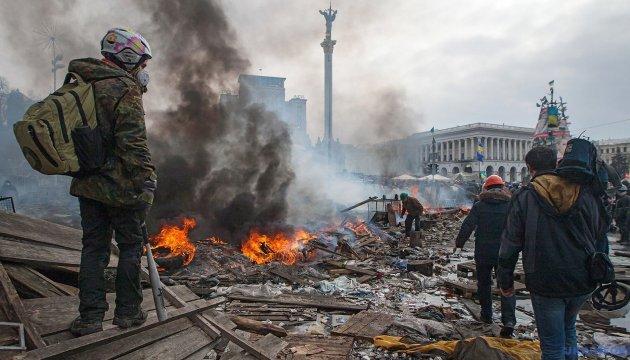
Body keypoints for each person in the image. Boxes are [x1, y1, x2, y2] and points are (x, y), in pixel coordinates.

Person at [68, 28, 157, 337]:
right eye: (142, 64)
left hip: (88, 185)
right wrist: (147, 180)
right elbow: (133, 142)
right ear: (128, 58)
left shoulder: (82, 83)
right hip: (121, 188)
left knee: (93, 249)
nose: (144, 71)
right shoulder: (123, 88)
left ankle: (89, 318)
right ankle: (129, 313)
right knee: (131, 247)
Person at [498, 146, 607, 360]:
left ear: (530, 168)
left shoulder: (525, 197)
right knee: (569, 331)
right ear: (556, 164)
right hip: (582, 278)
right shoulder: (583, 191)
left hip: (545, 281)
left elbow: (510, 244)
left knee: (552, 346)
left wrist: (505, 281)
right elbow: (600, 233)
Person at [453, 175, 516, 337]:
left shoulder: (480, 205)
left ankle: (487, 315)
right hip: (505, 252)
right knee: (506, 286)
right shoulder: (510, 205)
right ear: (502, 188)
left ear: (486, 188)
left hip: (483, 251)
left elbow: (468, 225)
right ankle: (508, 320)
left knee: (484, 283)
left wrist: (459, 243)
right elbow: (518, 227)